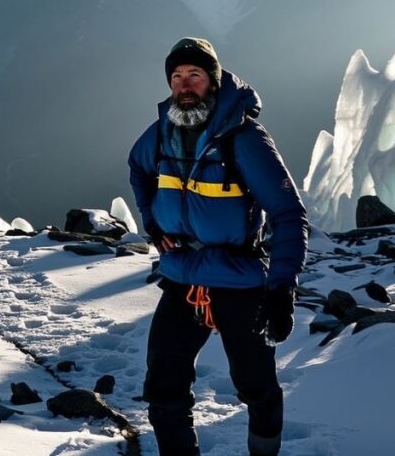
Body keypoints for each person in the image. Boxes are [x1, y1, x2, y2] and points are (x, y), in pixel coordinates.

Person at [128, 37, 308, 456]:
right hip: (180, 276)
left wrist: (282, 288)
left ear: (214, 80)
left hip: (239, 279)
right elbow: (138, 169)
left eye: (194, 75)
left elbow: (288, 214)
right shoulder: (160, 135)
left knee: (257, 388)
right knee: (163, 387)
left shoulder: (242, 139)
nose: (184, 85)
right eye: (176, 77)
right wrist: (154, 226)